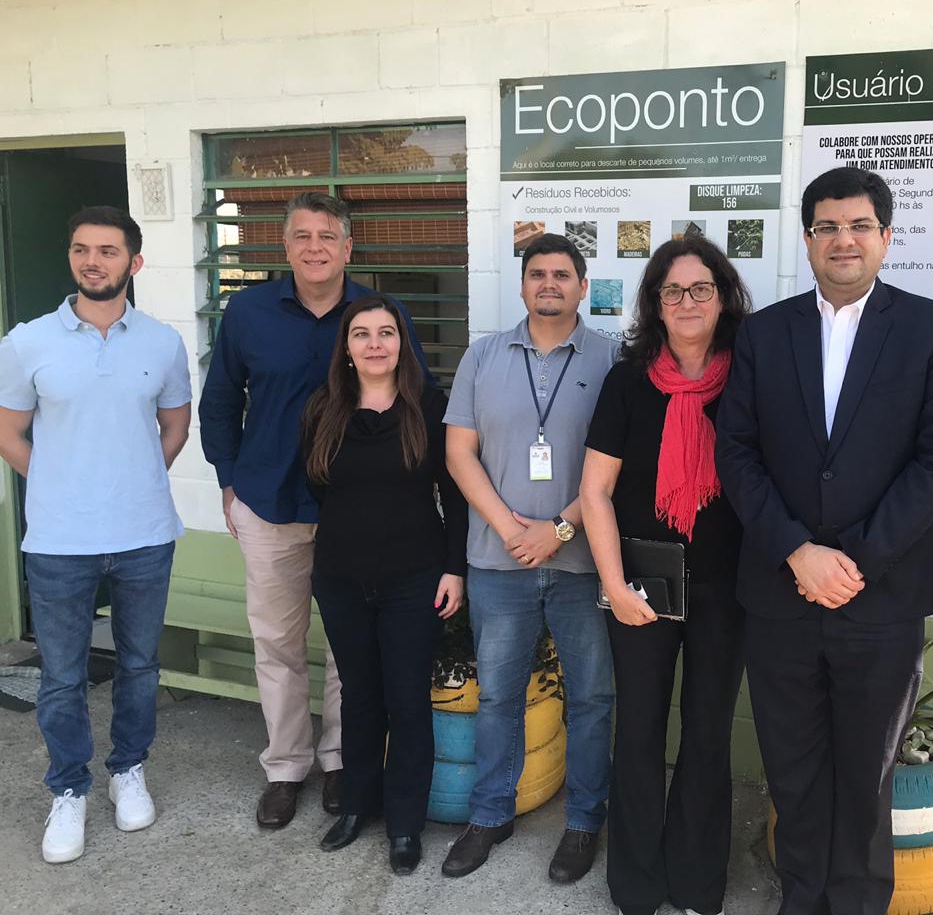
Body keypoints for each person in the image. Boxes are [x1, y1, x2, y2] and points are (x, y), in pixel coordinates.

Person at [716, 166, 933, 914]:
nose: (843, 240)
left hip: (880, 597)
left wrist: (852, 560)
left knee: (867, 773)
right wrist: (797, 551)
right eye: (827, 227)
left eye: (859, 226)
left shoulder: (931, 329)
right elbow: (737, 451)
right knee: (791, 769)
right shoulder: (764, 332)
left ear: (886, 237)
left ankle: (856, 903)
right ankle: (802, 897)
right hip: (780, 593)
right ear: (807, 239)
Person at [199, 192, 433, 830]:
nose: (314, 247)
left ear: (348, 248)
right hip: (270, 503)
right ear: (285, 245)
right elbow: (219, 401)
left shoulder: (378, 316)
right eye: (302, 236)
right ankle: (284, 767)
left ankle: (341, 763)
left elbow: (419, 400)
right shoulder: (247, 312)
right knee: (277, 642)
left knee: (346, 652)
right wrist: (227, 481)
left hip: (358, 513)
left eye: (327, 236)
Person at [0, 207, 191, 863]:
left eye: (109, 251)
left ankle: (127, 770)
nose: (93, 262)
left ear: (133, 263)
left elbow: (174, 426)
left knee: (139, 665)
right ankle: (69, 789)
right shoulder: (27, 342)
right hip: (57, 540)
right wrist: (59, 482)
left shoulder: (162, 343)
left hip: (144, 534)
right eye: (83, 249)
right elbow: (7, 431)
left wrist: (131, 480)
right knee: (61, 675)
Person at [580, 237, 750, 915]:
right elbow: (595, 492)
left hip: (728, 589)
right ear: (654, 302)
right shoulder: (628, 382)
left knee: (708, 734)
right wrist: (615, 587)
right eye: (672, 291)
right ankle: (638, 884)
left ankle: (698, 882)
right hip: (642, 586)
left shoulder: (751, 375)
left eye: (700, 289)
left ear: (722, 296)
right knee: (640, 732)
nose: (686, 302)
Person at [443, 232, 617, 883]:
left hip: (580, 565)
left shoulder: (611, 360)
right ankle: (490, 814)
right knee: (498, 699)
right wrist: (512, 527)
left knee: (593, 699)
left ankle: (583, 823)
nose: (550, 283)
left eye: (563, 274)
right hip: (498, 562)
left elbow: (620, 469)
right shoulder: (483, 356)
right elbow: (459, 452)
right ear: (522, 285)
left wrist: (559, 532)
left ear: (582, 286)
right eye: (538, 273)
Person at [301, 294, 466, 875]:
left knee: (406, 702)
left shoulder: (429, 404)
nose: (375, 344)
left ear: (403, 343)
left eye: (387, 333)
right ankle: (357, 808)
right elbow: (321, 487)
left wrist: (454, 568)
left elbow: (455, 492)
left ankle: (404, 824)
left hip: (413, 580)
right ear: (345, 348)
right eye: (362, 334)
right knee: (360, 699)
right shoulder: (324, 407)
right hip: (341, 578)